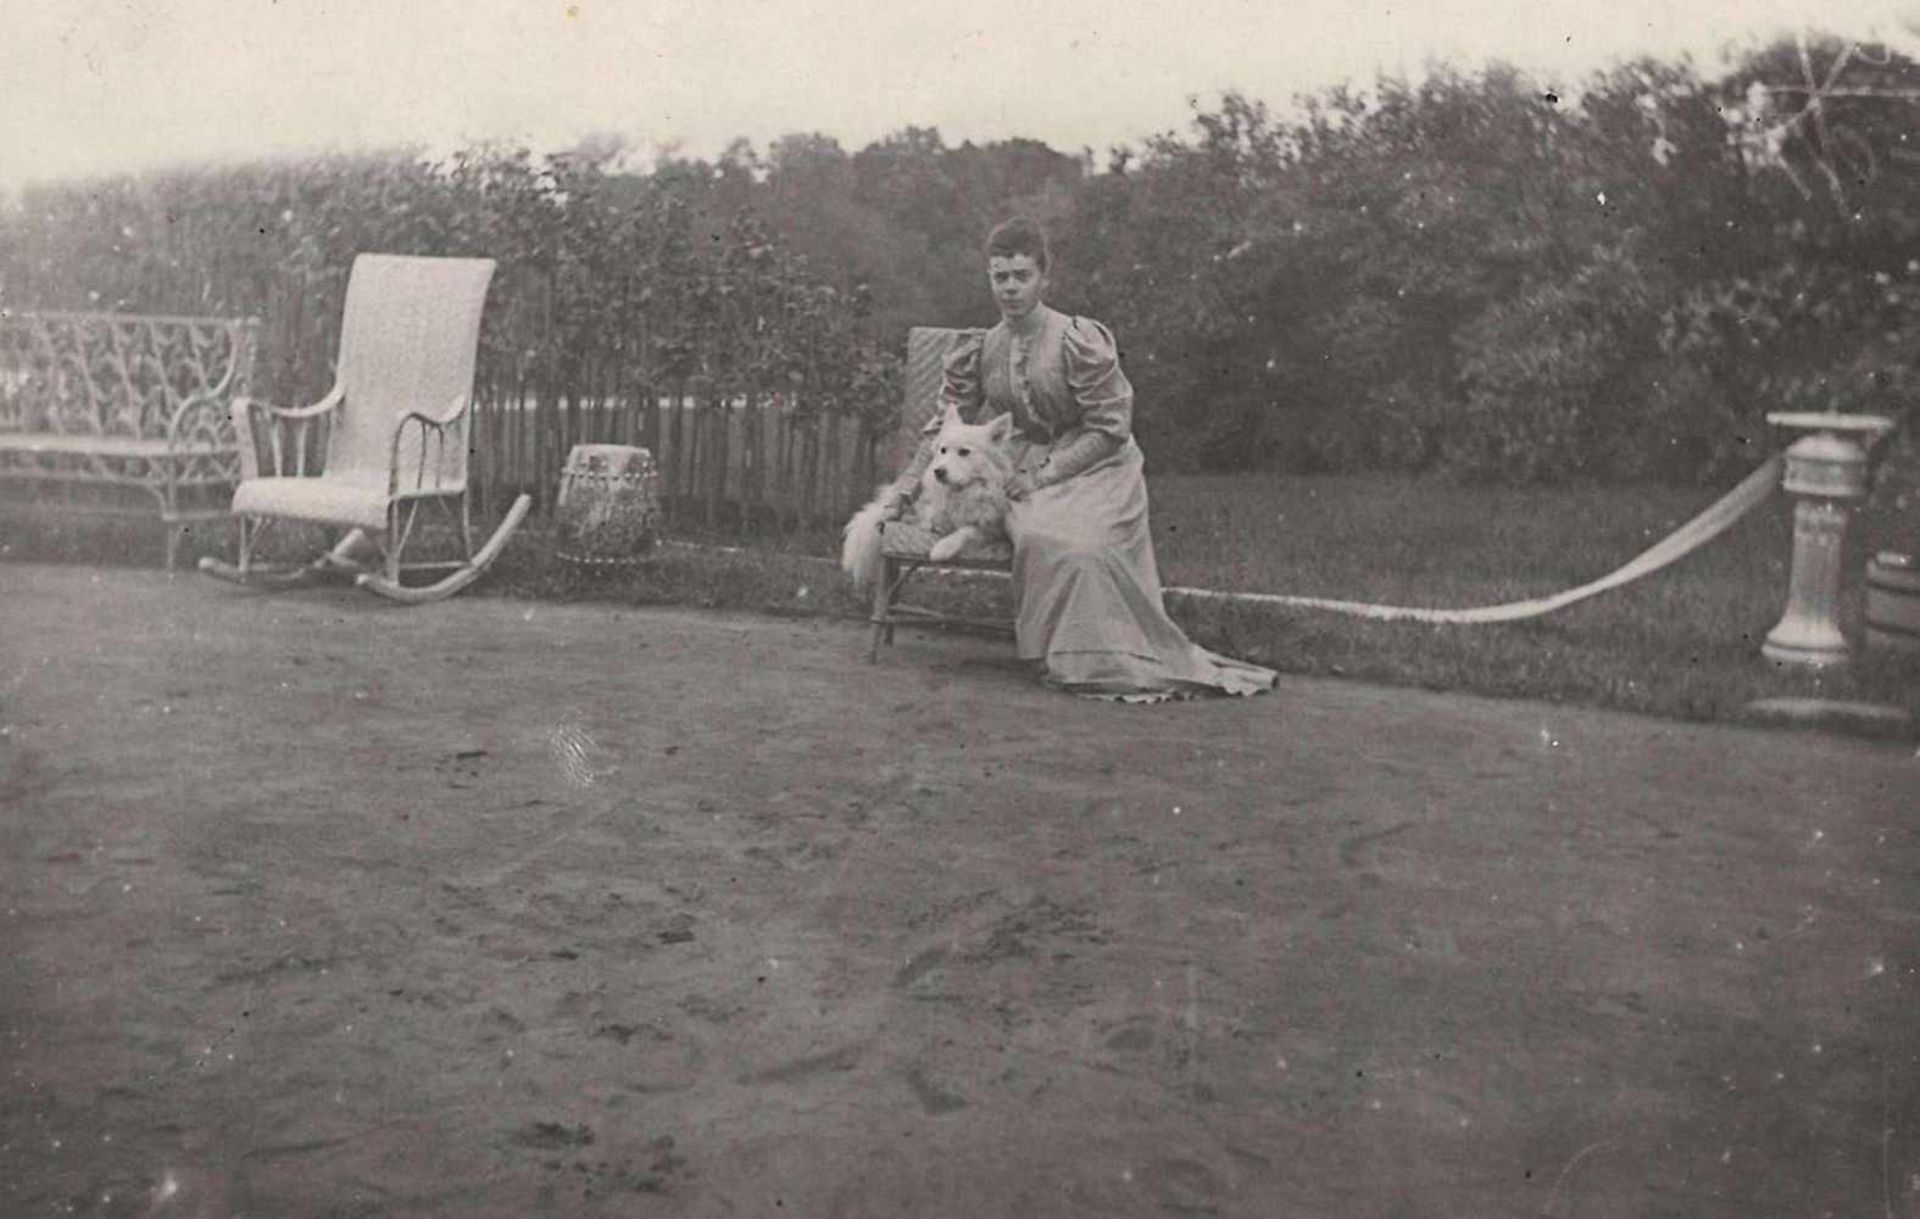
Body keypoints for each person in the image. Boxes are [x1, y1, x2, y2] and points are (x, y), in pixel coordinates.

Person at [899, 216, 1278, 702]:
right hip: (1026, 471)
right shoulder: (981, 348)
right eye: (1000, 277)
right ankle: (1059, 657)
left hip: (1099, 467)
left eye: (1022, 276)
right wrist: (904, 491)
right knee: (1035, 535)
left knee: (1081, 548)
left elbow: (1111, 427)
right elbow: (939, 430)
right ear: (989, 279)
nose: (1011, 288)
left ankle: (1109, 660)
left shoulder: (1076, 339)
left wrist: (1046, 473)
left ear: (1043, 279)